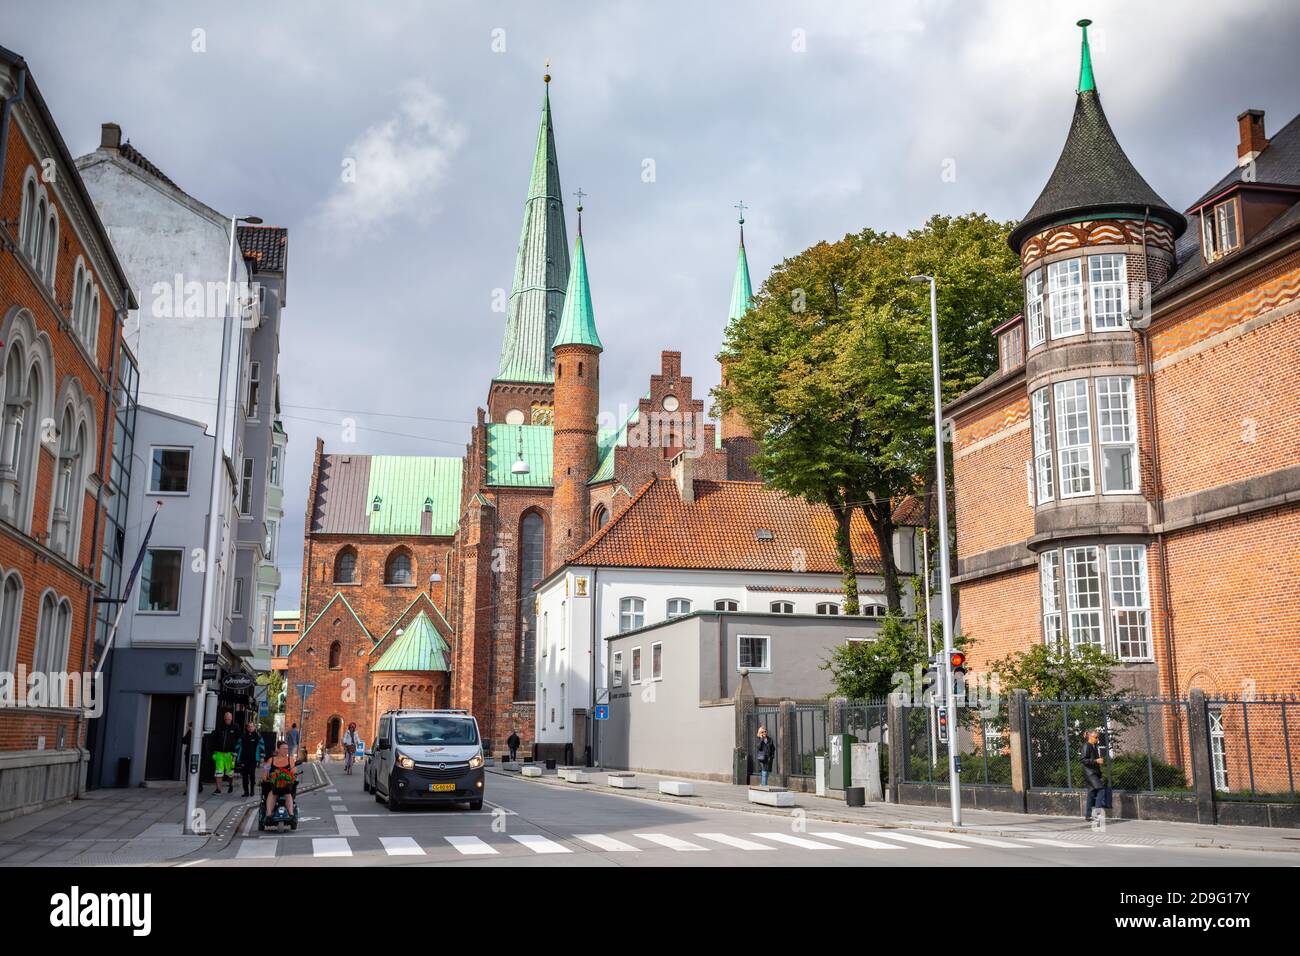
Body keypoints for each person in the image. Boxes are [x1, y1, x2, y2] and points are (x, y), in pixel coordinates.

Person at [262, 741, 299, 819]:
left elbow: (294, 772)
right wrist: (265, 776)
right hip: (273, 785)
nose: (286, 751)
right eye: (283, 749)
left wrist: (293, 771)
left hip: (286, 785)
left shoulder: (290, 759)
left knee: (288, 793)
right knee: (272, 793)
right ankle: (268, 814)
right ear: (277, 749)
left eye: (287, 749)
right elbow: (265, 772)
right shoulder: (271, 760)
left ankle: (291, 814)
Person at [209, 710, 240, 794]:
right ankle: (218, 789)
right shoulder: (219, 726)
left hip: (230, 754)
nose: (227, 720)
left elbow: (239, 741)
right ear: (224, 718)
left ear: (231, 718)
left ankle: (231, 784)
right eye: (226, 718)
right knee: (218, 772)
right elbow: (213, 739)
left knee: (230, 773)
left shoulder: (235, 727)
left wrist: (236, 752)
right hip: (219, 753)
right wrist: (213, 751)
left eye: (229, 718)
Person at [1081, 727, 1108, 821]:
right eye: (1096, 737)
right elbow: (1083, 760)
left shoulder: (1094, 746)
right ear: (1090, 737)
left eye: (1097, 737)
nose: (1097, 739)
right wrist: (1096, 760)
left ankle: (1088, 815)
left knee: (1091, 793)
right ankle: (1097, 813)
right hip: (1089, 773)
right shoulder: (1086, 746)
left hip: (1093, 773)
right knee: (1101, 790)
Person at [234, 720, 266, 797]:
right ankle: (246, 791)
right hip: (244, 759)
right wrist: (235, 755)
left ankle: (252, 790)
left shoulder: (258, 736)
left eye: (252, 726)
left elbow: (262, 747)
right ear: (247, 728)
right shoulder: (243, 736)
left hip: (253, 759)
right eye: (249, 726)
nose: (251, 728)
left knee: (252, 774)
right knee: (244, 775)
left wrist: (262, 757)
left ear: (254, 727)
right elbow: (237, 746)